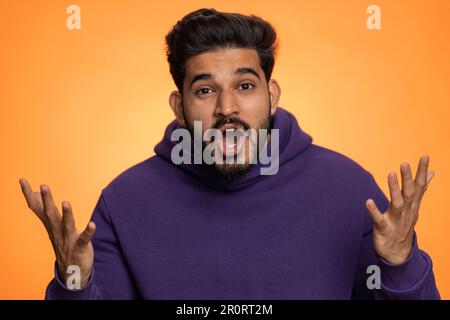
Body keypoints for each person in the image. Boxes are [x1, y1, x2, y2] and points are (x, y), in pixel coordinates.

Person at [20, 8, 439, 299]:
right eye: (205, 90)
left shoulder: (349, 190)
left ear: (271, 95)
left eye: (244, 86)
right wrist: (74, 280)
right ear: (179, 107)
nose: (226, 109)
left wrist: (401, 263)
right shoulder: (125, 201)